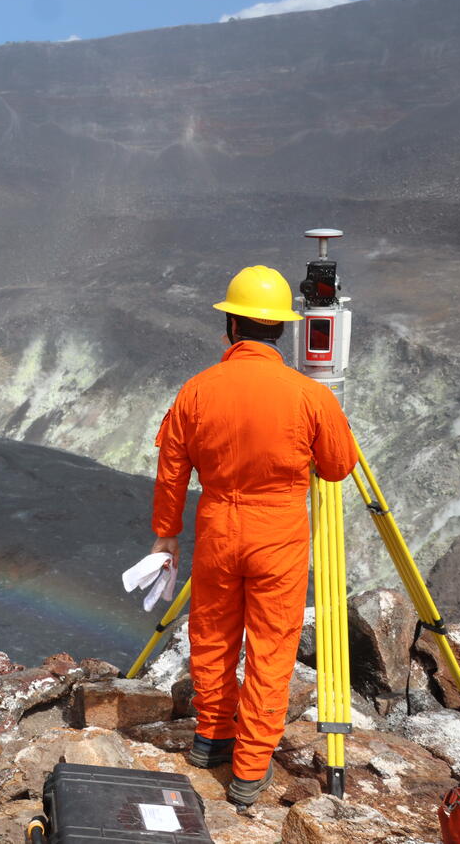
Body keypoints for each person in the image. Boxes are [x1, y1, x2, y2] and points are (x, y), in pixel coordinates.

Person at [150, 264, 357, 807]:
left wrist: (165, 536)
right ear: (283, 330)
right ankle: (248, 771)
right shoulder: (310, 396)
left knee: (213, 634)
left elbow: (172, 467)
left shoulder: (197, 390)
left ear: (232, 328)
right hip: (280, 535)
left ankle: (210, 739)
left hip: (218, 528)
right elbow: (337, 468)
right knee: (270, 647)